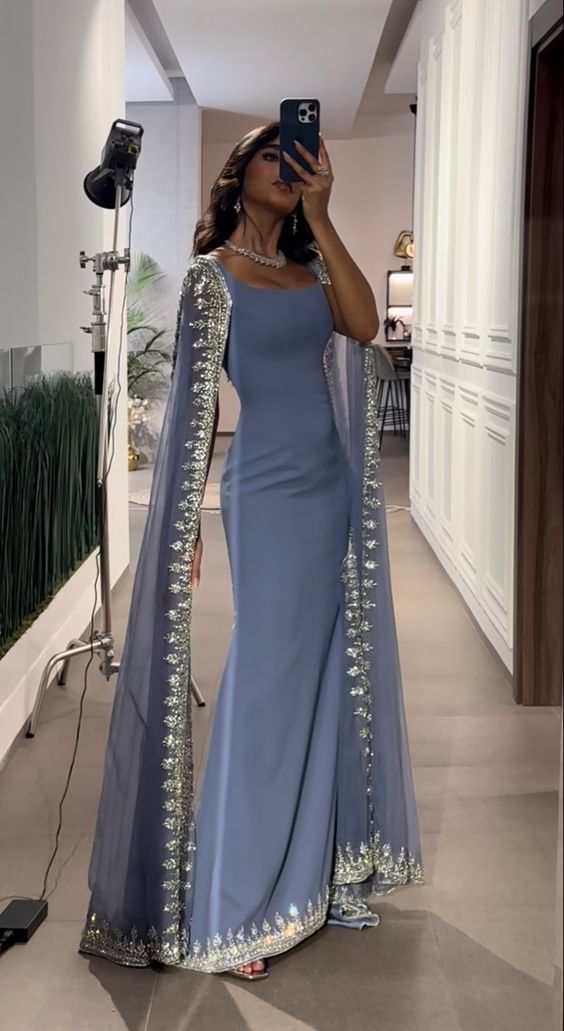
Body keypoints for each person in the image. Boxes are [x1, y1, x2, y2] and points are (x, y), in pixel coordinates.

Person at [79, 123, 423, 981]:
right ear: (238, 176)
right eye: (273, 154)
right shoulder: (212, 276)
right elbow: (192, 404)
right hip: (264, 492)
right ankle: (234, 897)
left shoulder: (312, 268)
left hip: (330, 489)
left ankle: (313, 872)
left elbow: (363, 323)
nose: (288, 165)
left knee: (326, 673)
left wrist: (325, 214)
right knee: (266, 678)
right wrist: (185, 518)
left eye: (297, 154)